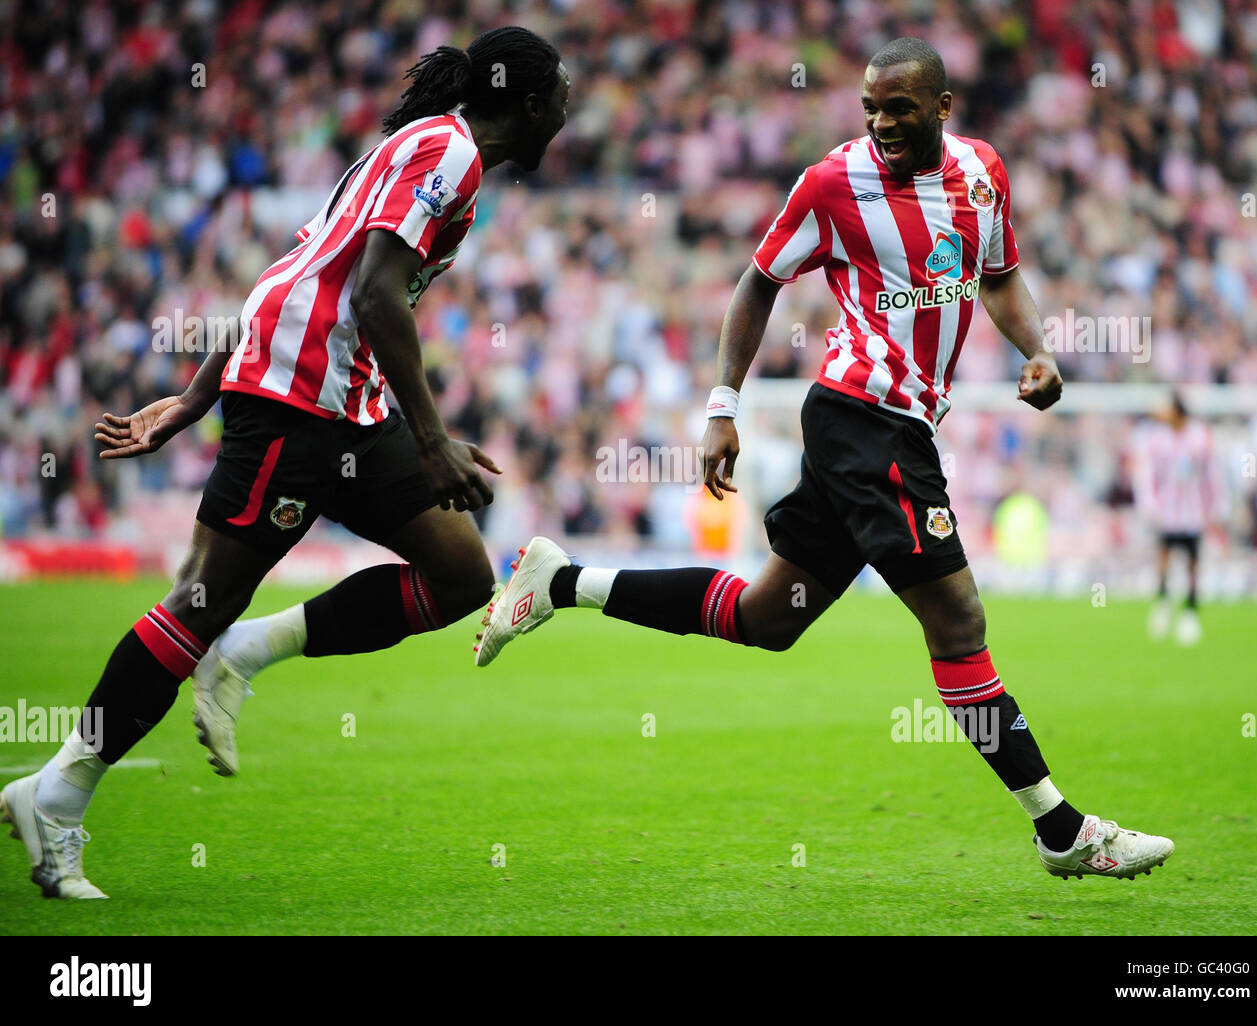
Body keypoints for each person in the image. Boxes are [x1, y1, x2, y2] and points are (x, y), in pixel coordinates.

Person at [475, 38, 1173, 882]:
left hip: (897, 426)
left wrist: (1041, 350)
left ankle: (558, 582)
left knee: (769, 619)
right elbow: (758, 280)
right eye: (871, 107)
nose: (881, 122)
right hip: (862, 419)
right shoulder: (834, 182)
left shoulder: (982, 174)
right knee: (959, 624)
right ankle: (1061, 829)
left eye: (900, 108)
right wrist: (723, 406)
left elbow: (998, 278)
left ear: (943, 109)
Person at [1, 26, 570, 899]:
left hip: (350, 400)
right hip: (296, 400)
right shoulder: (446, 154)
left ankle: (248, 652)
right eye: (559, 98)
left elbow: (293, 270)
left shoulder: (416, 151)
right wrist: (430, 438)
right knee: (198, 599)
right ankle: (60, 797)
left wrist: (194, 398)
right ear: (529, 103)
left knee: (459, 574)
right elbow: (377, 295)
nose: (568, 113)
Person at [1136, 392, 1219, 644]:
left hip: (1193, 512)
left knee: (1193, 562)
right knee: (1163, 557)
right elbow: (1148, 473)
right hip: (1168, 512)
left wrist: (1215, 506)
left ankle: (1190, 612)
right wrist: (1150, 503)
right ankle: (1162, 602)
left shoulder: (1200, 437)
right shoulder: (1158, 439)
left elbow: (1211, 474)